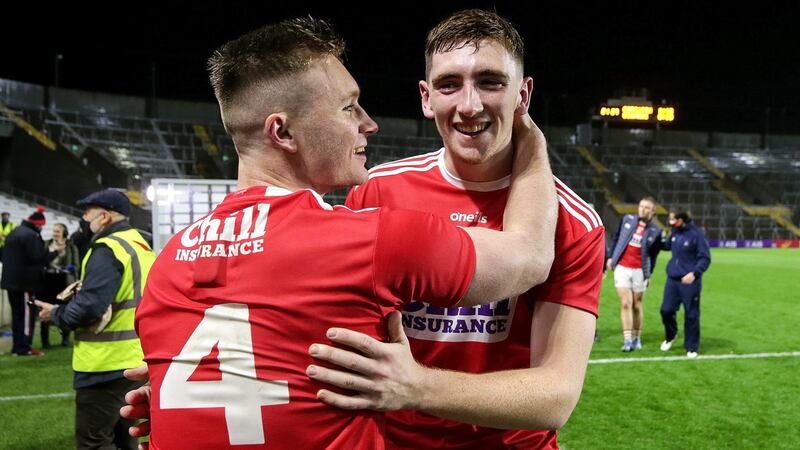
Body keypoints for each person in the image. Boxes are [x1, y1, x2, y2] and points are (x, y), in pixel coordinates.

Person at [122, 16, 557, 450]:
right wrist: (533, 143)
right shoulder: (367, 240)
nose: (369, 123)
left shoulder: (170, 263)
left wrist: (186, 398)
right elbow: (530, 256)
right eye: (349, 107)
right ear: (283, 132)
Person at [305, 10, 605, 449]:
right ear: (427, 98)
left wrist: (418, 387)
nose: (469, 105)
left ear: (524, 94)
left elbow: (555, 396)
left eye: (490, 81)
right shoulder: (378, 191)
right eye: (449, 85)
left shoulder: (572, 222)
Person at [35, 189, 154, 450]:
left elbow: (89, 307)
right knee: (127, 440)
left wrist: (54, 314)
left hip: (104, 363)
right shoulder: (139, 243)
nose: (84, 218)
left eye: (87, 212)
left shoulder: (107, 248)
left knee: (94, 442)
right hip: (136, 358)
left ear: (104, 216)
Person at [1, 207, 62, 356]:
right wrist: (55, 252)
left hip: (11, 282)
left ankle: (17, 346)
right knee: (27, 316)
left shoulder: (14, 232)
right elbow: (38, 258)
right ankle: (24, 347)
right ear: (38, 224)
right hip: (25, 283)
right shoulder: (30, 235)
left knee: (17, 316)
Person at [606, 196, 662, 351]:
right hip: (622, 268)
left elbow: (654, 255)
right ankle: (627, 340)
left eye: (646, 207)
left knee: (637, 305)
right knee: (625, 303)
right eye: (641, 206)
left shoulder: (656, 230)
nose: (642, 209)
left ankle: (637, 337)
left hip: (640, 271)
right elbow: (616, 238)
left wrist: (649, 274)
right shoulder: (627, 219)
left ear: (653, 211)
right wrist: (611, 257)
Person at [658, 207, 711, 358]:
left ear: (681, 220)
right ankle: (671, 335)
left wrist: (694, 273)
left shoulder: (696, 234)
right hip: (673, 280)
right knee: (666, 310)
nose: (670, 222)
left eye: (673, 219)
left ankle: (691, 347)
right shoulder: (675, 232)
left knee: (691, 315)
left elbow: (705, 258)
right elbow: (667, 245)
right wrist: (658, 239)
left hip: (690, 281)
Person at [39, 223, 81, 347]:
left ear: (64, 233)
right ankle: (45, 341)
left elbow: (76, 265)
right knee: (45, 308)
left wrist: (70, 268)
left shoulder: (71, 246)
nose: (55, 233)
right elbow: (41, 260)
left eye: (58, 231)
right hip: (48, 280)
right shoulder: (47, 244)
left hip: (64, 281)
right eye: (54, 231)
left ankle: (65, 338)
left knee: (65, 308)